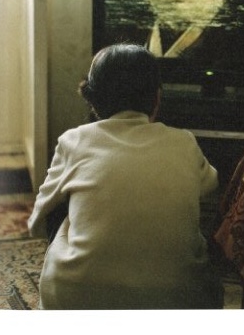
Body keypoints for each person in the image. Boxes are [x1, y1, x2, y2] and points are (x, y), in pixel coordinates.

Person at [28, 42, 223, 309]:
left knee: (63, 208)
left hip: (76, 300)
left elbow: (38, 222)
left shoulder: (73, 141)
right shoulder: (184, 141)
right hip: (178, 300)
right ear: (157, 98)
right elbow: (210, 185)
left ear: (93, 100)